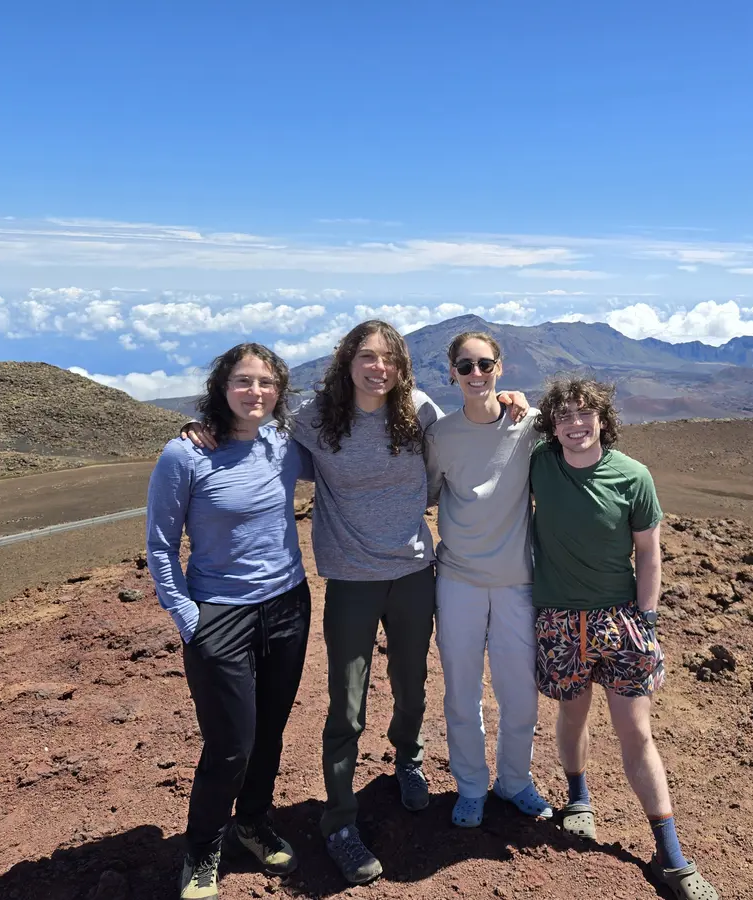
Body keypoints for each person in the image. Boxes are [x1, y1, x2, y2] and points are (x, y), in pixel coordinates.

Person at [184, 320, 528, 885]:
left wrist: (510, 397)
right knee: (346, 703)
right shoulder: (316, 418)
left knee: (412, 684)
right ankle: (340, 820)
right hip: (350, 579)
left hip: (415, 572)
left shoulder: (417, 410)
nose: (378, 368)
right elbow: (254, 429)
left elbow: (465, 444)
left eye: (389, 359)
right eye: (367, 357)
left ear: (402, 367)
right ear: (347, 362)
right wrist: (203, 425)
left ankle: (408, 760)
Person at [529, 377, 719, 900]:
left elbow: (649, 554)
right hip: (560, 619)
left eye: (584, 414)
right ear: (552, 425)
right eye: (563, 416)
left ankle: (672, 857)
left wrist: (649, 619)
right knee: (572, 713)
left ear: (602, 419)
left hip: (620, 621)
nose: (574, 424)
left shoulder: (633, 477)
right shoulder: (541, 463)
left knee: (636, 732)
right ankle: (578, 799)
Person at [147, 343, 315, 900]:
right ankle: (201, 846)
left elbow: (347, 451)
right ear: (222, 388)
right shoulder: (185, 454)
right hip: (219, 613)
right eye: (243, 382)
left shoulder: (284, 443)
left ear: (279, 390)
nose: (256, 392)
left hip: (288, 605)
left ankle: (254, 820)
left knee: (269, 731)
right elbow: (162, 544)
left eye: (266, 382)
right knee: (230, 744)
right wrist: (187, 617)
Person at [424, 331, 551, 828]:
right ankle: (472, 785)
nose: (475, 374)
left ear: (500, 367)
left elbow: (581, 434)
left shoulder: (529, 423)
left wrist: (528, 402)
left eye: (484, 365)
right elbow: (429, 491)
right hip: (458, 579)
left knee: (519, 691)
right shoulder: (441, 435)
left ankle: (515, 780)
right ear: (451, 374)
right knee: (461, 689)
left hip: (518, 581)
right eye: (465, 366)